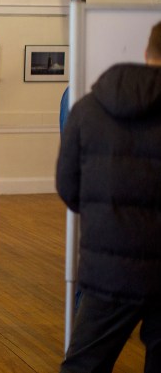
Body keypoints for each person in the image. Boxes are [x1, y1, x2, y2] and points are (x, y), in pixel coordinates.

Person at [57, 21, 161, 373]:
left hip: (108, 265)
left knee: (85, 364)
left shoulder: (87, 108)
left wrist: (104, 216)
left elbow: (67, 185)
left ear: (146, 54)